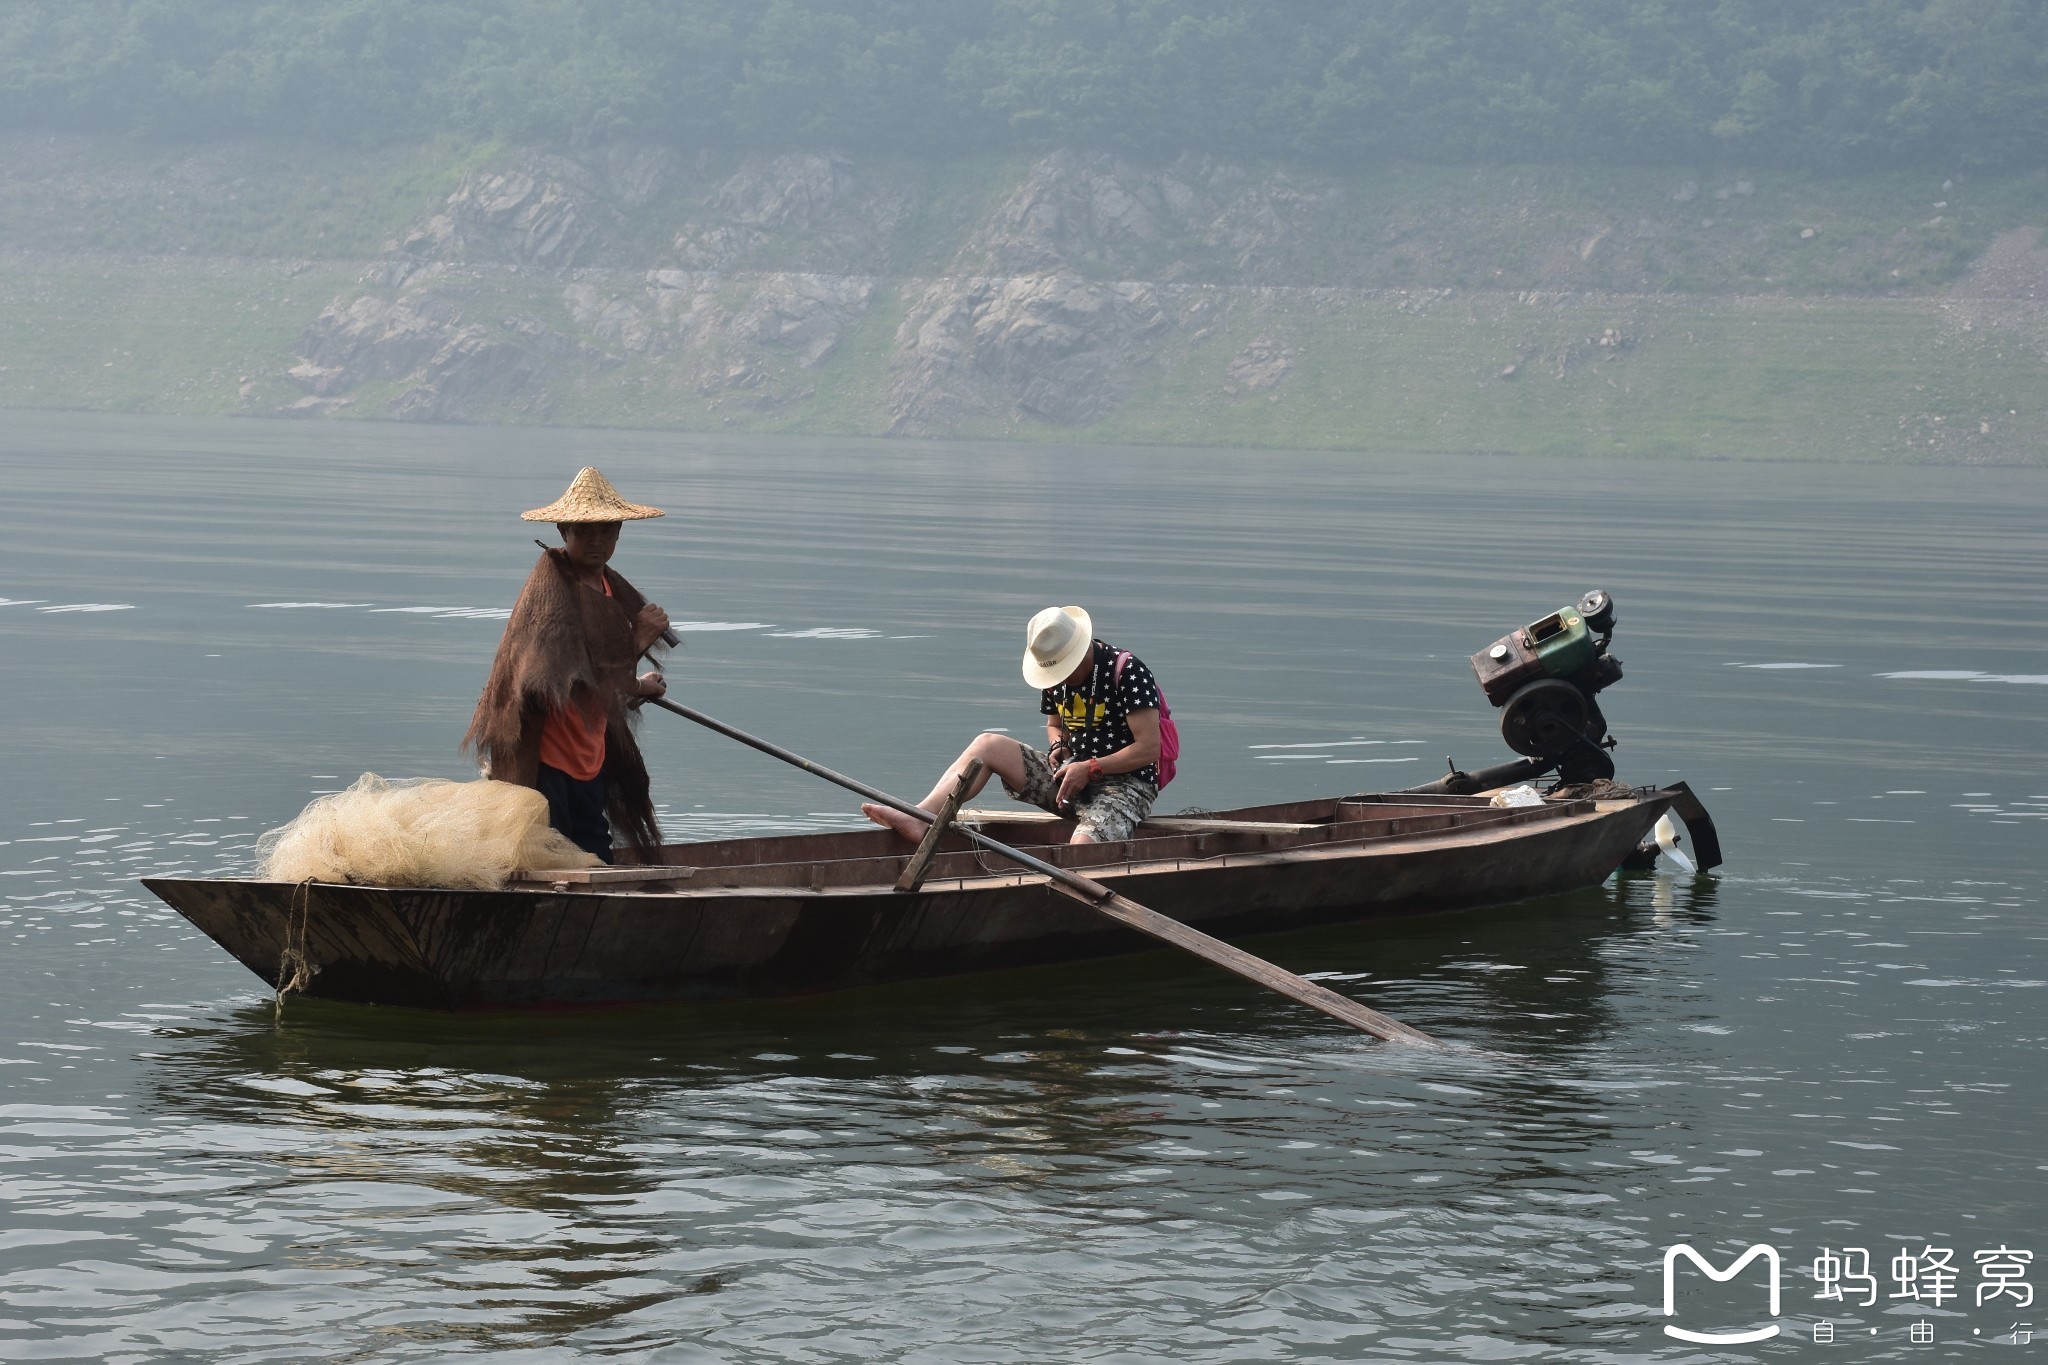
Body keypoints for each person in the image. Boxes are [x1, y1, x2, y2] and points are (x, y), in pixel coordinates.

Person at [463, 467, 671, 863]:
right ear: (563, 530)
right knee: (551, 855)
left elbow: (606, 670)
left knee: (595, 852)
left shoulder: (610, 587)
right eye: (583, 530)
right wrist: (640, 643)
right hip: (548, 755)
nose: (596, 541)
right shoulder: (552, 594)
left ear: (619, 531)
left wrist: (638, 682)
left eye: (607, 530)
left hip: (588, 753)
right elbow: (573, 680)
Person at [863, 605, 1163, 845]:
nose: (1058, 679)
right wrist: (1059, 745)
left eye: (1064, 670)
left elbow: (1149, 749)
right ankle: (920, 817)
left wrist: (1091, 768)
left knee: (1080, 852)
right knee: (988, 745)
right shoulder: (1054, 672)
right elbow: (1054, 723)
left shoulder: (1127, 672)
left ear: (1081, 650)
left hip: (1125, 786)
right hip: (1070, 778)